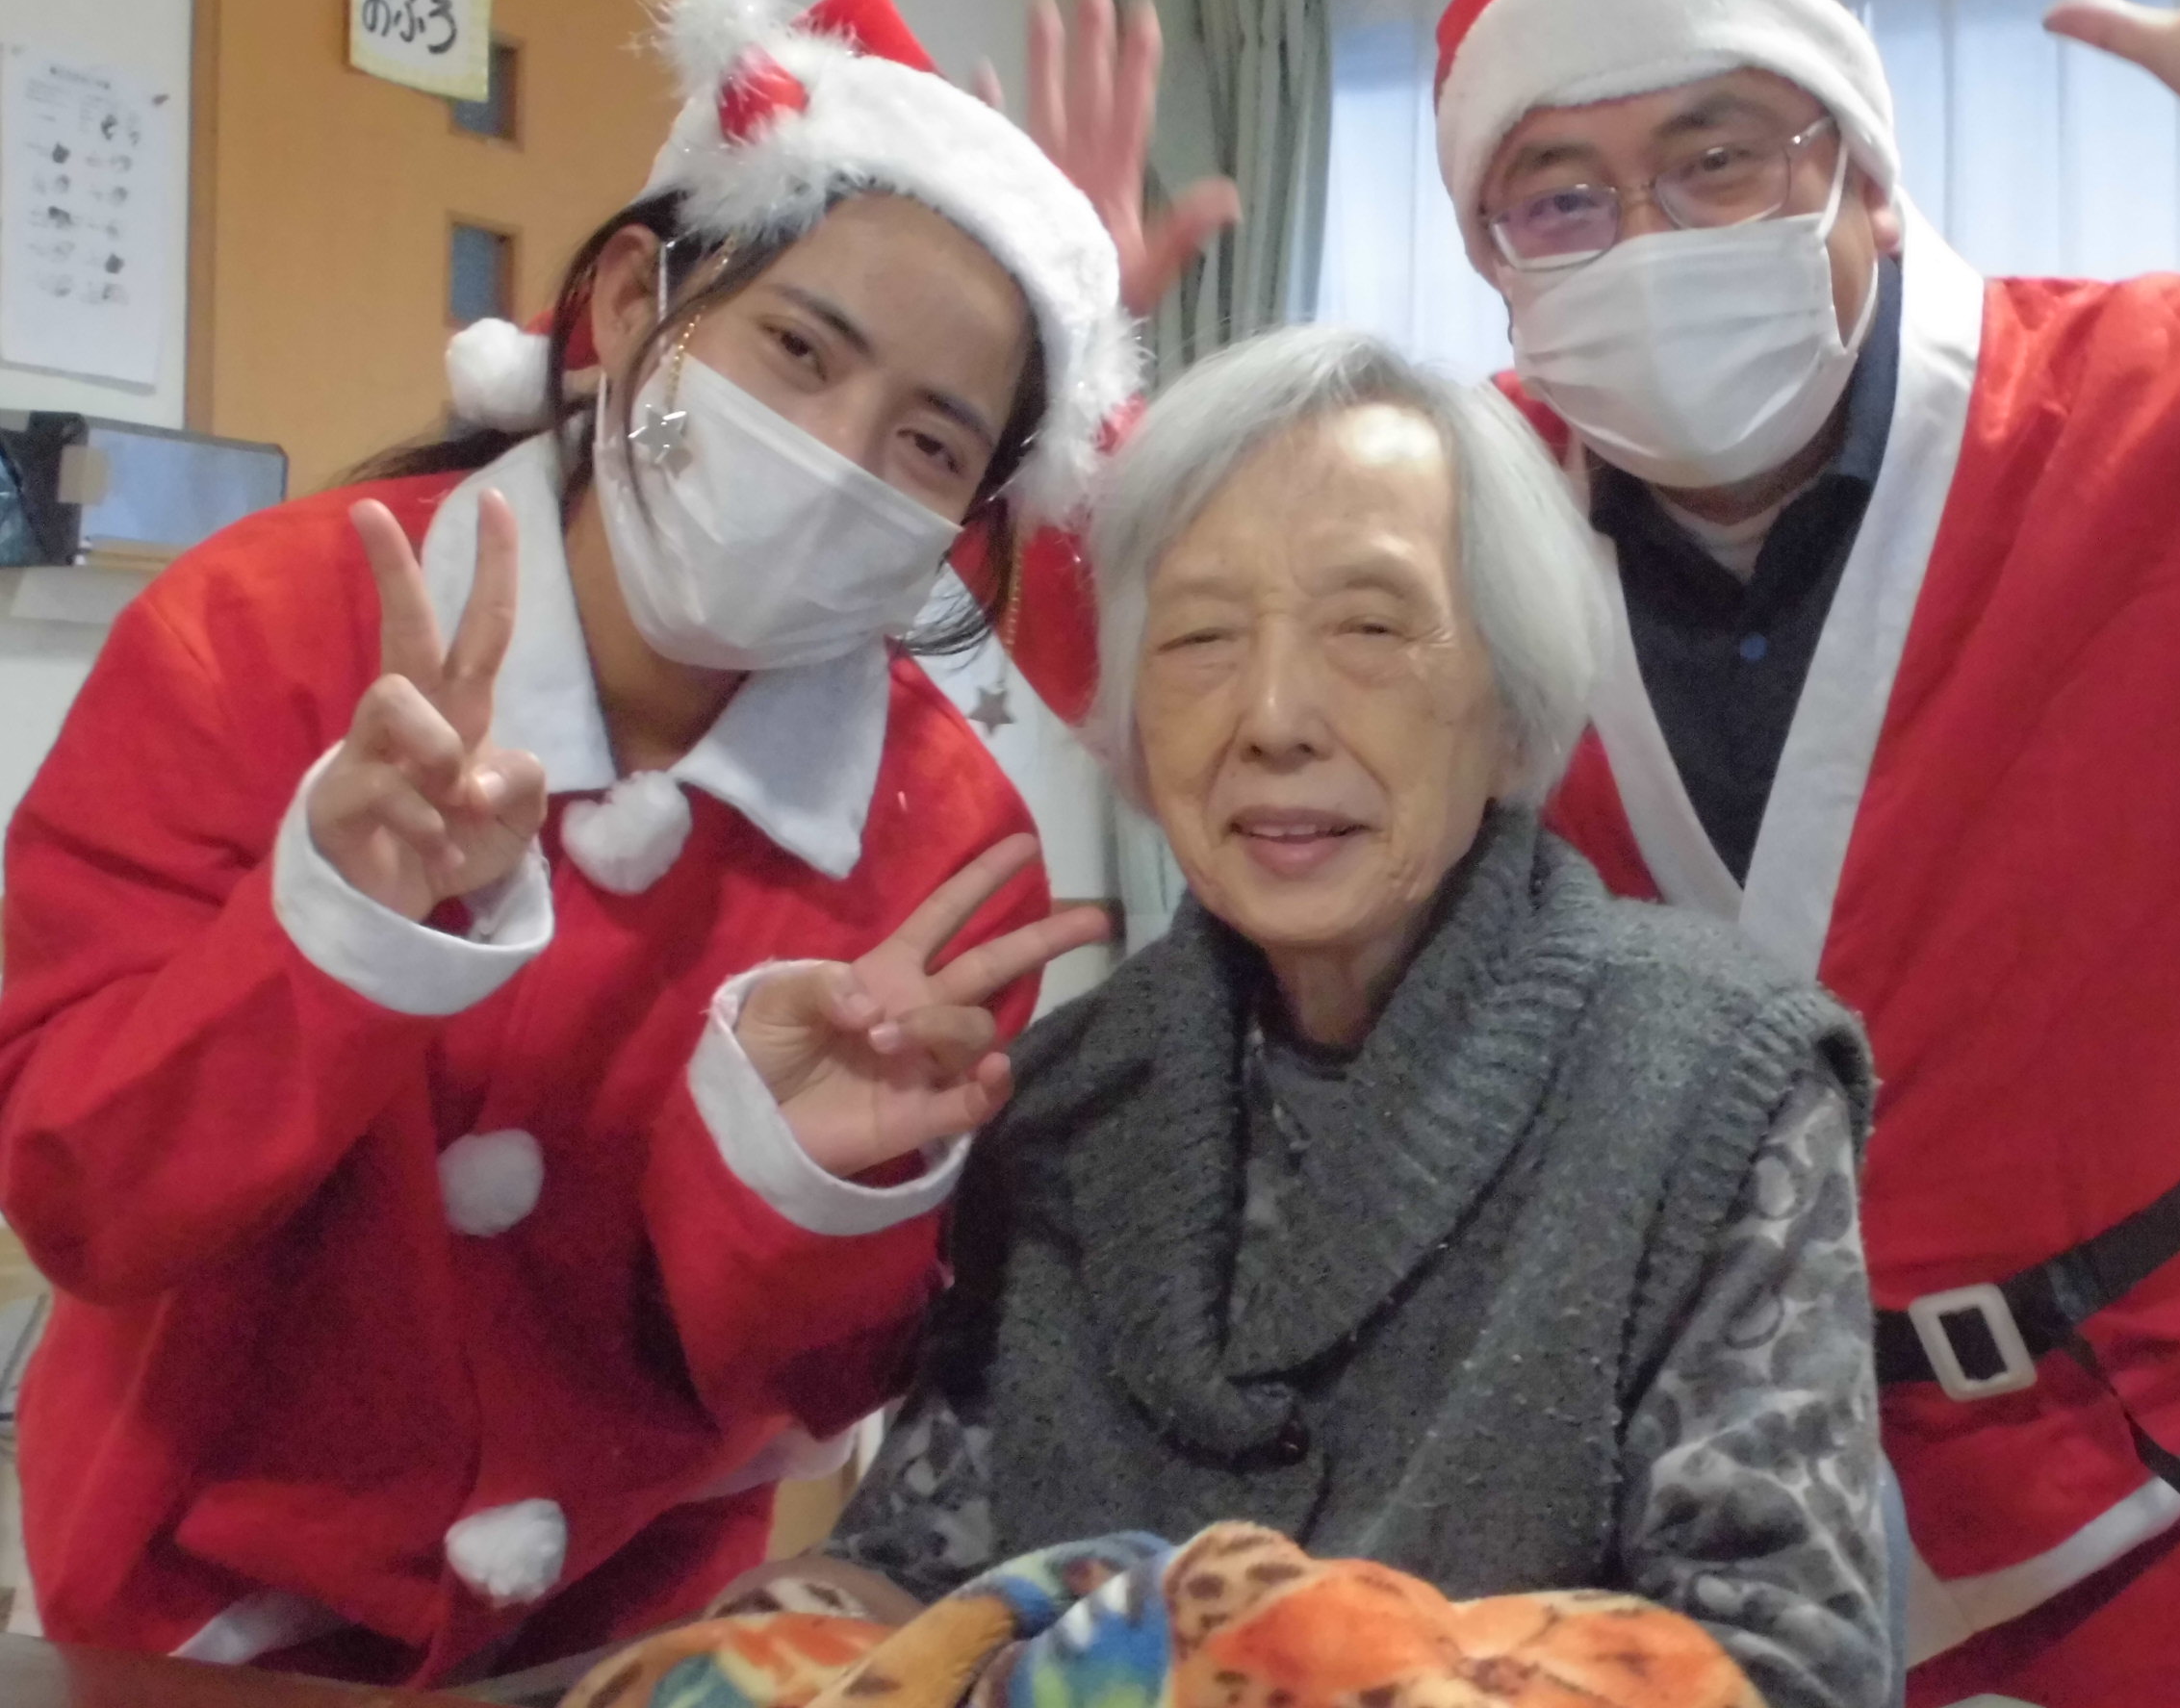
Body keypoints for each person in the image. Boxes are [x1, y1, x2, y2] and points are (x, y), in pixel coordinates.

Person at [987, 0, 2180, 1700]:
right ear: (1491, 256)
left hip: (2169, 1463)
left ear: (1867, 172)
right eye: (1561, 193)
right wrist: (1044, 374)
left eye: (1720, 157)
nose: (1649, 237)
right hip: (1633, 1491)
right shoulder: (1448, 523)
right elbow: (1181, 664)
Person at [0, 0, 1133, 1689]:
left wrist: (803, 1179)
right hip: (190, 1619)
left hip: (629, 1645)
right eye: (797, 351)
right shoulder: (261, 635)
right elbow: (80, 1200)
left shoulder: (944, 848)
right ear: (626, 304)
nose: (837, 454)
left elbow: (817, 1394)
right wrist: (332, 935)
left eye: (926, 443)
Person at [731, 329, 1891, 1708]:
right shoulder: (1058, 1101)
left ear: (1513, 711)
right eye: (1200, 638)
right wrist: (765, 1650)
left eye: (1370, 628)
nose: (1273, 717)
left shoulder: (1719, 1082)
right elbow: (920, 1574)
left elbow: (1782, 1667)